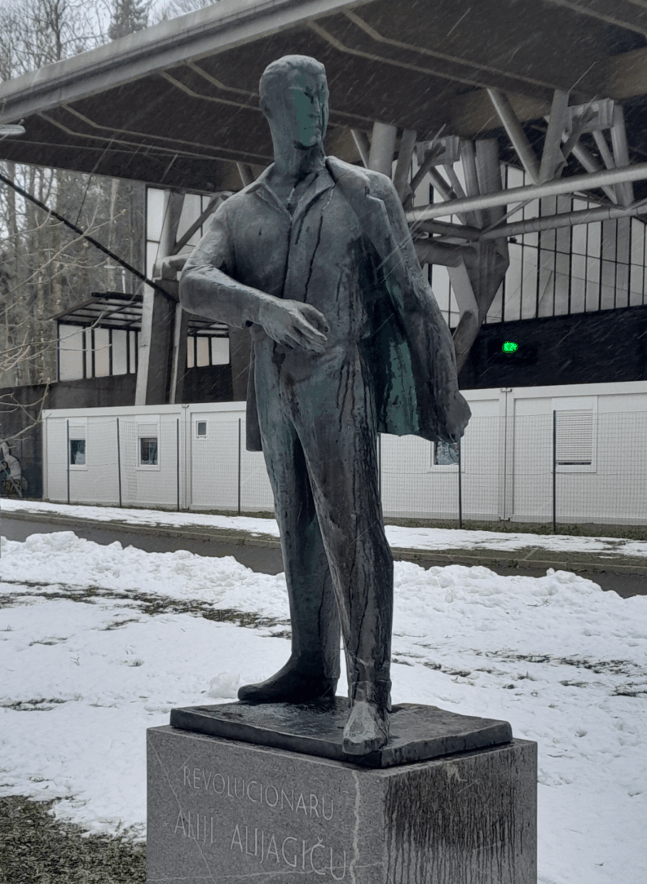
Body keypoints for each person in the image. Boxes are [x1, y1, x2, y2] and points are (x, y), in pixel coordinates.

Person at [179, 55, 470, 755]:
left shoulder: (363, 193)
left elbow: (412, 294)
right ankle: (312, 663)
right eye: (304, 98)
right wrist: (262, 309)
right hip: (274, 388)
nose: (318, 108)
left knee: (352, 529)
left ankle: (369, 689)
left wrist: (442, 396)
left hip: (340, 378)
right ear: (273, 111)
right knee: (298, 530)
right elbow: (192, 280)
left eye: (324, 94)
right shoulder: (240, 210)